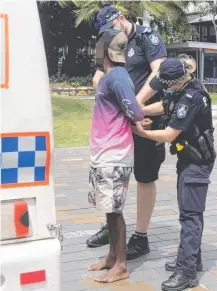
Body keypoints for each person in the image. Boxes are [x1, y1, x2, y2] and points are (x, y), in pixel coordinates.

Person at [87, 6, 168, 260]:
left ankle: (141, 236)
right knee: (114, 173)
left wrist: (135, 103)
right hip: (121, 120)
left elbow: (160, 72)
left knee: (145, 175)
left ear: (121, 19)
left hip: (145, 117)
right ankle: (113, 226)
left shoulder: (147, 37)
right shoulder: (108, 42)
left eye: (112, 28)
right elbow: (98, 76)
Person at [132, 57, 216, 291]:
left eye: (166, 85)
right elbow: (164, 105)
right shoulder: (184, 88)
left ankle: (187, 272)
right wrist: (138, 110)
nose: (164, 89)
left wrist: (140, 133)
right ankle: (192, 260)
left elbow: (169, 134)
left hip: (197, 163)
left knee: (190, 216)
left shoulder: (192, 98)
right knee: (189, 213)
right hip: (189, 159)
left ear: (177, 81)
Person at [88, 29, 144, 283]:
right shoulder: (111, 77)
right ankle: (112, 256)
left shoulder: (118, 77)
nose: (95, 52)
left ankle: (121, 265)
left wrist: (136, 117)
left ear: (106, 51)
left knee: (115, 210)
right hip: (104, 153)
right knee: (109, 209)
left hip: (115, 153)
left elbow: (136, 111)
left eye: (98, 47)